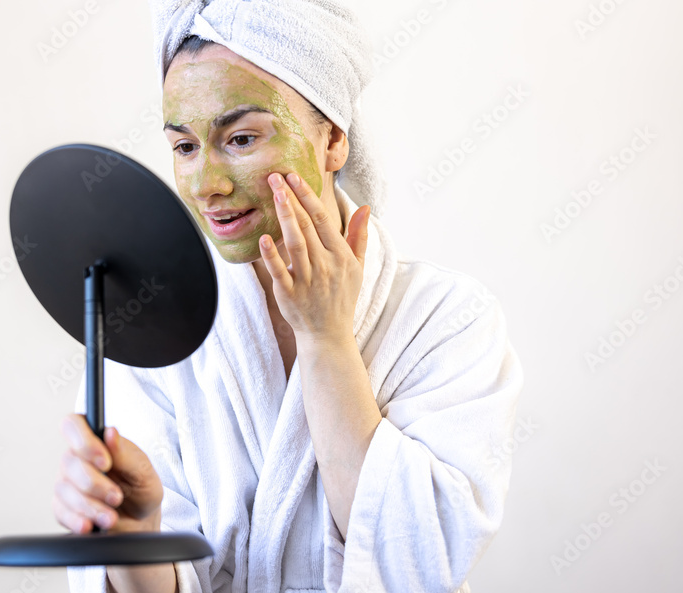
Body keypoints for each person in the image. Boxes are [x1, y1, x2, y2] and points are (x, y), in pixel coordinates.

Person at [55, 2, 524, 592]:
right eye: (184, 147)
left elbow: (417, 562)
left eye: (242, 137)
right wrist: (132, 538)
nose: (207, 185)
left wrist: (326, 339)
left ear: (332, 139)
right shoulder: (151, 331)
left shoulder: (448, 321)